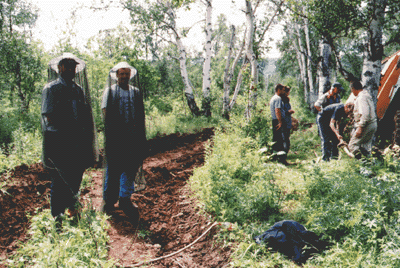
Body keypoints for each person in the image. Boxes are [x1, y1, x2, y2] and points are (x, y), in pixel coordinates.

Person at [41, 53, 96, 222]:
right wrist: (69, 128)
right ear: (59, 68)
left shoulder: (78, 90)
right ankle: (57, 215)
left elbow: (83, 116)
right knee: (60, 177)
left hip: (77, 142)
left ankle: (72, 208)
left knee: (76, 175)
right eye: (67, 66)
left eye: (73, 66)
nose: (71, 69)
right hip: (58, 141)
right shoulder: (51, 89)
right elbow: (48, 115)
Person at [101, 62, 147, 223]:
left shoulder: (135, 92)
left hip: (133, 138)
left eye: (126, 74)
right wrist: (111, 134)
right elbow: (105, 113)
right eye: (121, 74)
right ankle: (109, 202)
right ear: (116, 75)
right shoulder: (110, 91)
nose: (124, 76)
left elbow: (141, 114)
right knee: (114, 170)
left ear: (130, 75)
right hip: (116, 138)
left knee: (130, 169)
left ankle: (125, 200)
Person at [347, 80, 377, 158]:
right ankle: (368, 166)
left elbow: (365, 114)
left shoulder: (361, 98)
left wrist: (360, 127)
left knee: (352, 145)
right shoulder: (366, 95)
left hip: (367, 124)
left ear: (353, 89)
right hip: (372, 124)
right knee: (364, 146)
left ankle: (363, 163)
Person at [270, 83, 288, 165]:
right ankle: (281, 160)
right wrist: (280, 122)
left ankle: (274, 157)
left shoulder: (273, 98)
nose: (284, 92)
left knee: (276, 139)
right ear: (279, 90)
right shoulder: (278, 98)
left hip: (275, 120)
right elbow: (277, 110)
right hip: (278, 121)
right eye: (283, 90)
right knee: (281, 140)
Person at [281, 86, 295, 156]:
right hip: (284, 121)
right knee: (285, 139)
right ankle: (283, 155)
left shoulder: (287, 99)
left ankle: (285, 153)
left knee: (287, 138)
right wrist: (288, 112)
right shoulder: (281, 100)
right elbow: (281, 111)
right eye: (288, 91)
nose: (289, 93)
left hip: (288, 120)